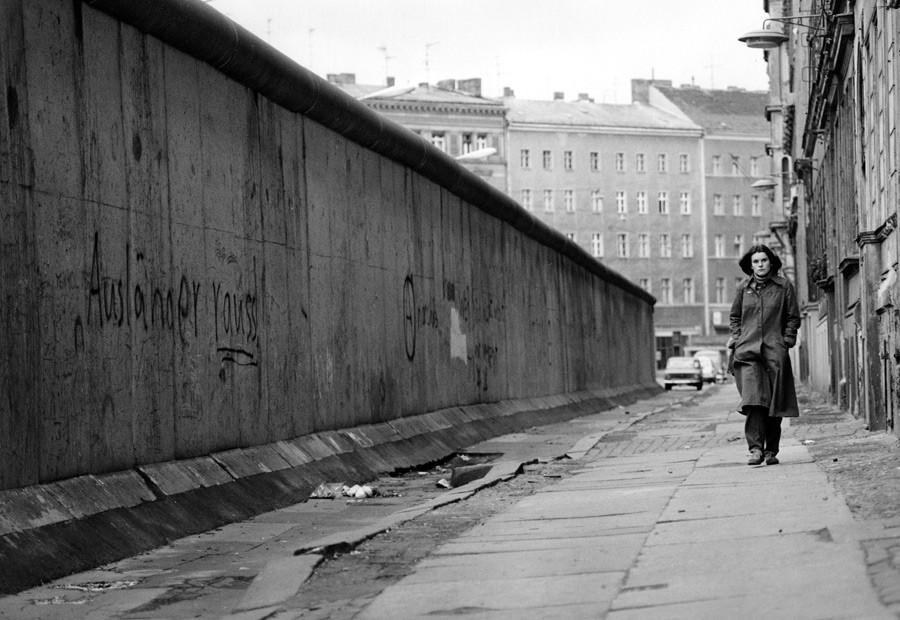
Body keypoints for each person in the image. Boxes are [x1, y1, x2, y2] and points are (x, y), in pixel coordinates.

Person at [727, 244, 800, 466]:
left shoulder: (783, 286)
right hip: (747, 352)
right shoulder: (743, 288)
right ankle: (756, 449)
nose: (760, 265)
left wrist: (785, 342)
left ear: (771, 262)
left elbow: (792, 317)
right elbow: (735, 317)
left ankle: (771, 451)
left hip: (773, 351)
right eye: (756, 262)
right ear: (750, 265)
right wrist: (738, 338)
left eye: (763, 260)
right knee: (753, 400)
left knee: (773, 403)